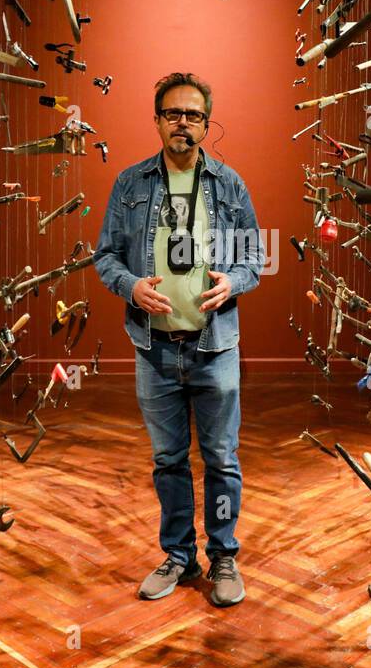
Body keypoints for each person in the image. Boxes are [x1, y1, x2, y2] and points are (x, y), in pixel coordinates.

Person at [94, 72, 263, 607]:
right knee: (168, 460)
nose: (182, 123)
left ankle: (224, 556)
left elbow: (255, 259)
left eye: (192, 115)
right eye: (173, 114)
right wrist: (131, 286)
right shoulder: (131, 184)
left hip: (215, 347)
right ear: (158, 121)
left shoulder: (230, 185)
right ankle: (177, 554)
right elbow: (105, 257)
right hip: (155, 348)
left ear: (206, 125)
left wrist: (232, 282)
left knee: (221, 459)